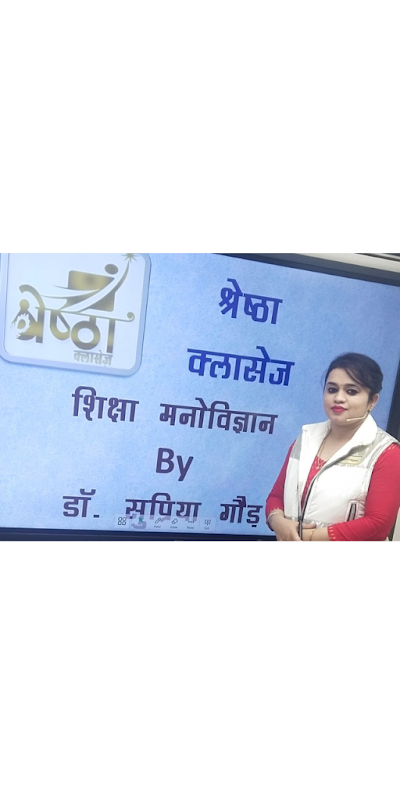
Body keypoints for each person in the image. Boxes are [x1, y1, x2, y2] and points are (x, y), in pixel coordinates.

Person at [265, 353, 400, 541]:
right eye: (332, 389)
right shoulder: (305, 439)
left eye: (351, 391)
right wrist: (277, 521)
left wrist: (308, 537)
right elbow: (276, 496)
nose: (338, 398)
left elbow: (378, 525)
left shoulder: (387, 452)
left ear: (372, 401)